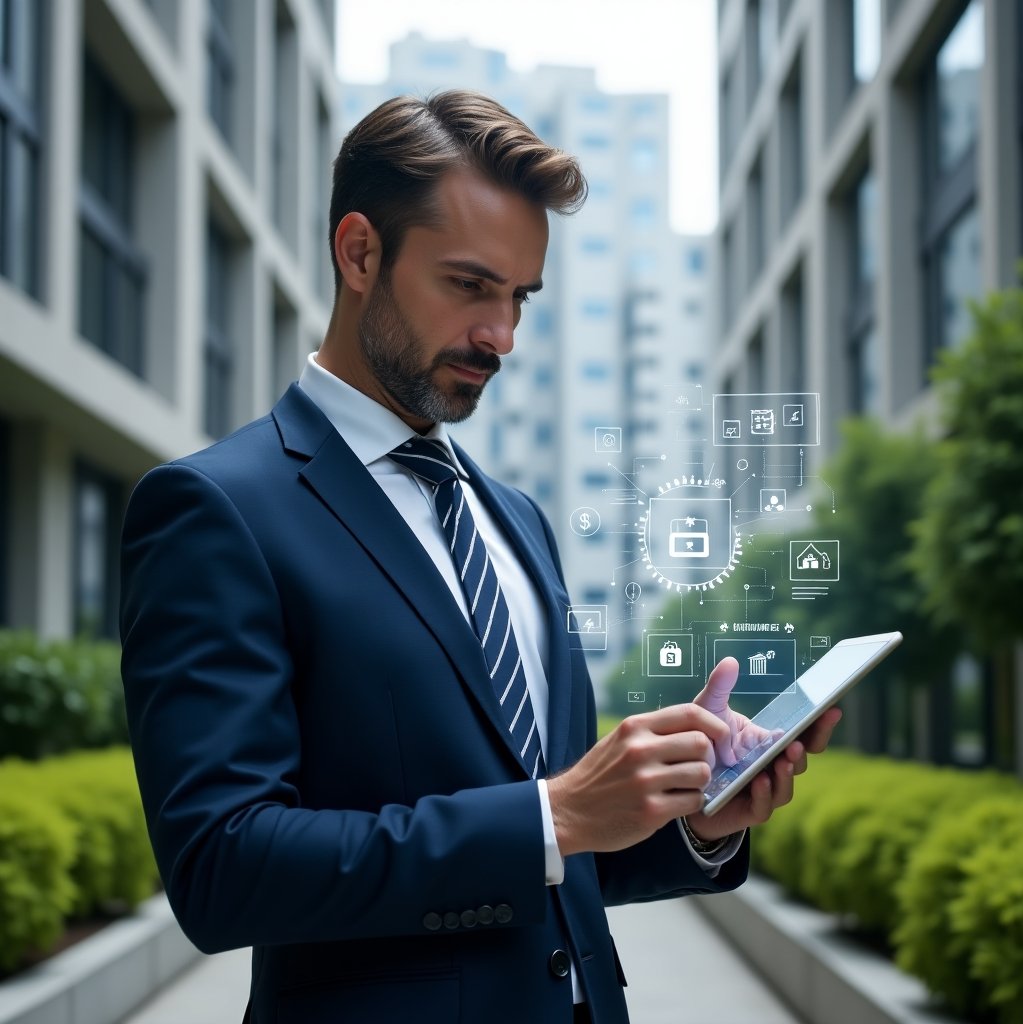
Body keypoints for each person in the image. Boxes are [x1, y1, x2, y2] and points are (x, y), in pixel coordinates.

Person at [120, 90, 838, 1024]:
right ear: (359, 253)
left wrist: (691, 820)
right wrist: (555, 812)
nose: (501, 336)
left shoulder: (517, 520)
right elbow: (222, 868)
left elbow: (553, 855)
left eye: (520, 297)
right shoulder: (217, 509)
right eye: (469, 285)